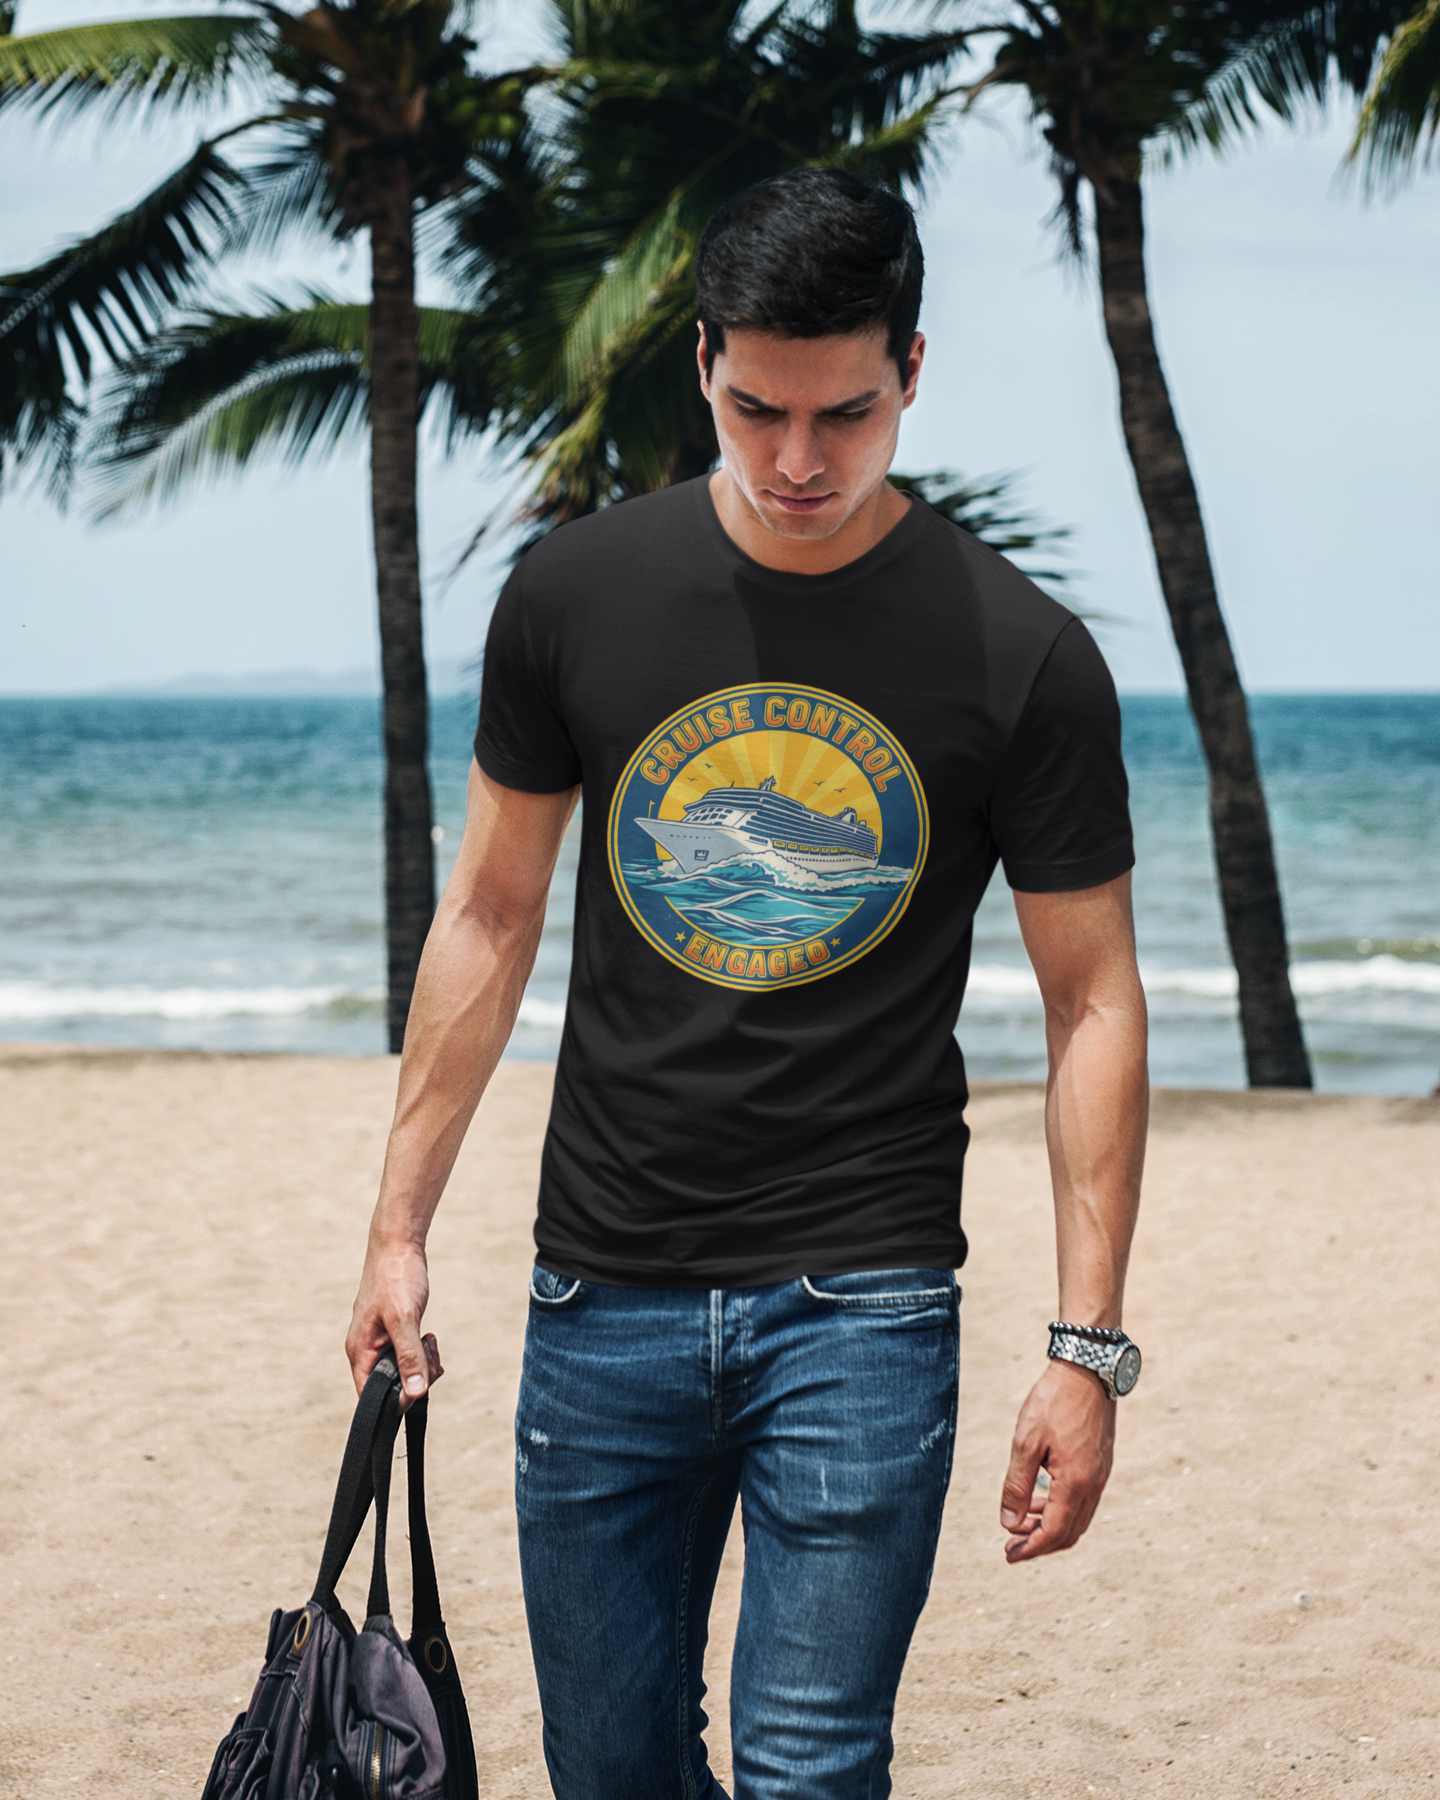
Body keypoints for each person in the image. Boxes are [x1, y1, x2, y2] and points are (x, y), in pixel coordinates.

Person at [345, 167, 1148, 1800]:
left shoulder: (1023, 656)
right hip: (601, 1293)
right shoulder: (576, 599)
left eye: (845, 414)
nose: (797, 460)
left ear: (912, 369)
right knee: (616, 1768)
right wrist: (397, 1229)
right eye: (757, 408)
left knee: (807, 1765)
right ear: (702, 360)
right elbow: (490, 921)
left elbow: (1094, 1004)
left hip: (863, 1297)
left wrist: (1088, 1344)